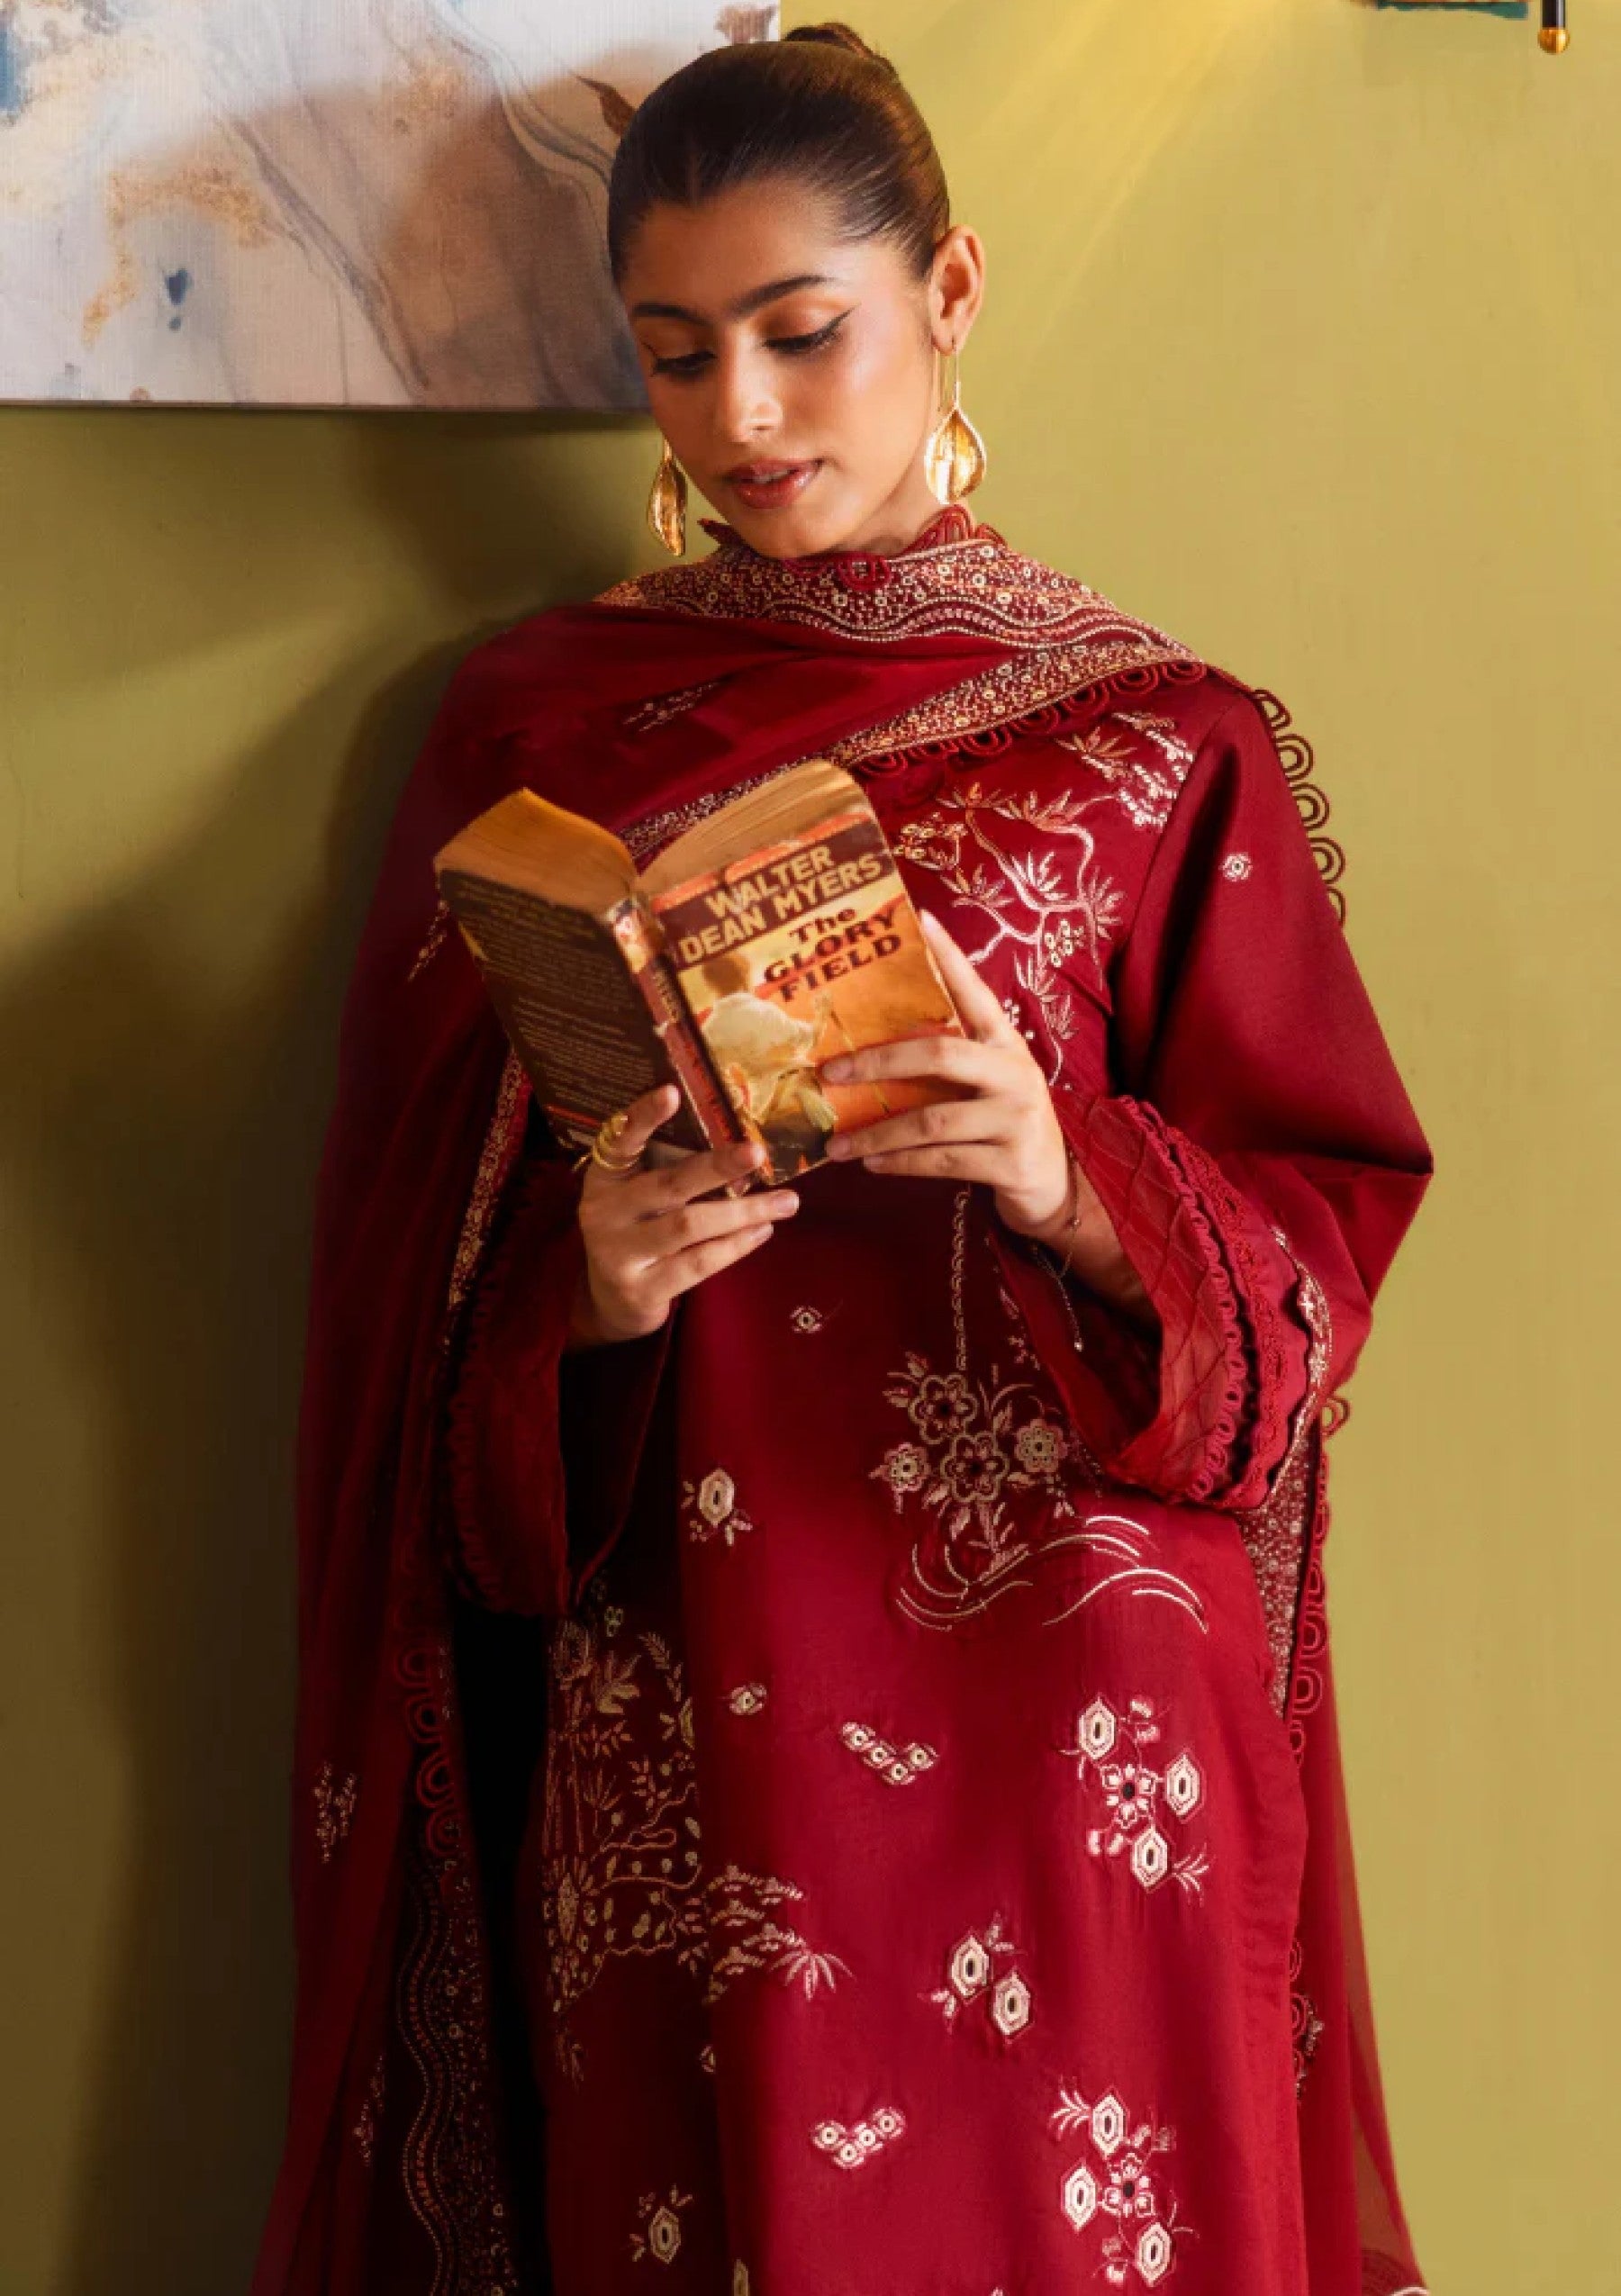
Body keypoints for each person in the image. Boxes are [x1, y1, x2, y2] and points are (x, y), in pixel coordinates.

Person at [250, 25, 1434, 2296]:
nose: (744, 416)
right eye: (677, 353)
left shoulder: (1153, 739)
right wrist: (583, 1287)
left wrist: (1072, 1175)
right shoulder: (533, 735)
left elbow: (1318, 1242)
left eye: (805, 332)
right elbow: (399, 1304)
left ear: (950, 291)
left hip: (1068, 1710)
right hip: (691, 1676)